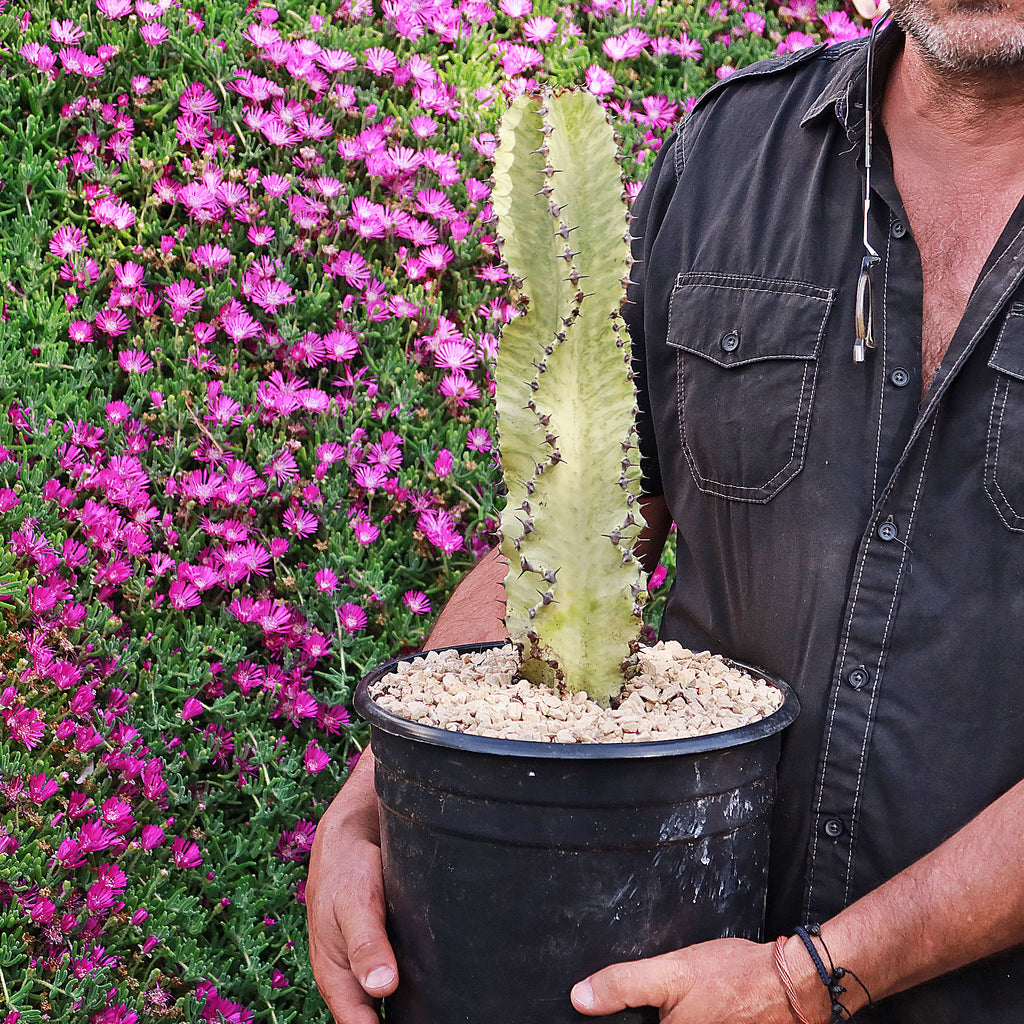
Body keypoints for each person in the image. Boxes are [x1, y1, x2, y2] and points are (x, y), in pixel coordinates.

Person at [307, 0, 1024, 1018]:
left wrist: (804, 980)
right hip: (663, 972)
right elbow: (579, 525)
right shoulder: (733, 154)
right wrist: (368, 810)